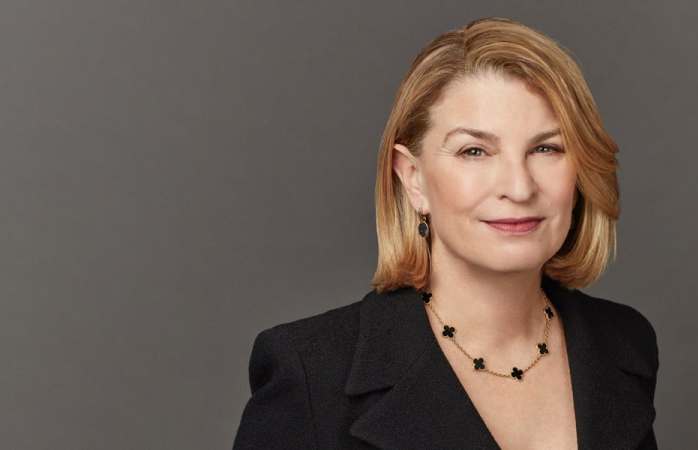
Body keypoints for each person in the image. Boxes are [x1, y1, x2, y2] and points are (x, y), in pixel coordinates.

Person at [232, 16, 659, 450]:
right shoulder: (311, 374)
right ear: (413, 178)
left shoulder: (623, 345)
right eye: (474, 151)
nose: (519, 187)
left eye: (546, 148)